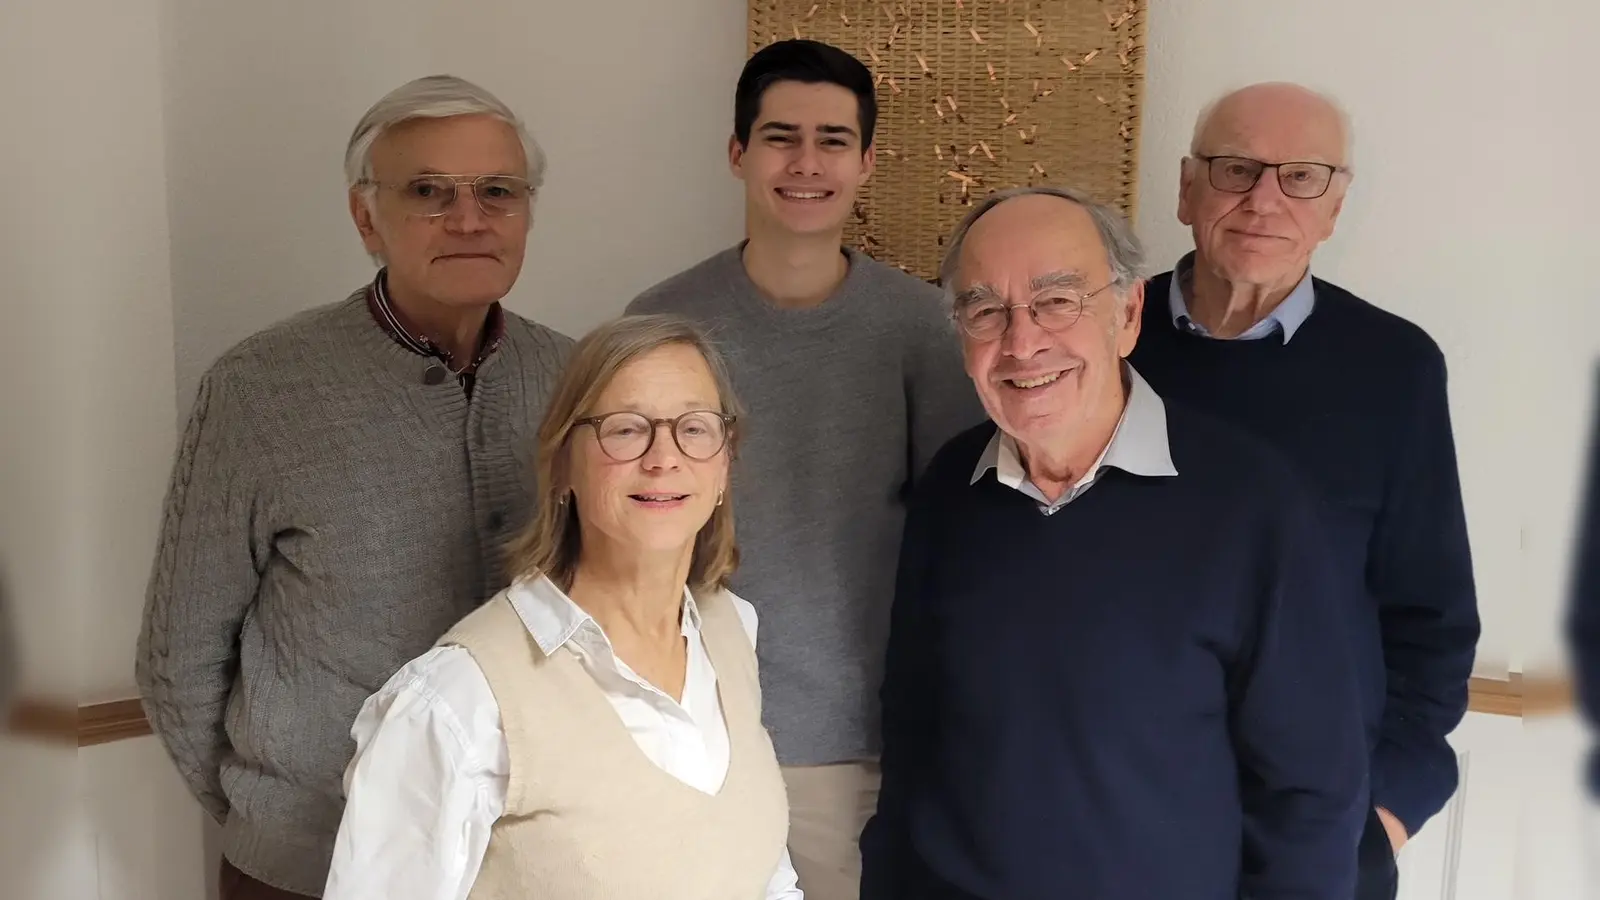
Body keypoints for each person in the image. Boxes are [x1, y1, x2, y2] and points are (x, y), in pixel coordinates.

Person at [860, 186, 1369, 900]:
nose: (1022, 342)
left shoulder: (1252, 502)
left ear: (1128, 315)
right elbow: (912, 730)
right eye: (986, 311)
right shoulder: (951, 486)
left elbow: (1310, 792)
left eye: (1058, 301)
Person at [135, 74, 573, 899]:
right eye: (429, 192)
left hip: (518, 864)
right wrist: (274, 814)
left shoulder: (576, 380)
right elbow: (177, 660)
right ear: (365, 216)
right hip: (311, 863)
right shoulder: (261, 388)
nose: (470, 218)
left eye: (497, 191)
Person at [626, 38, 982, 898]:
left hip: (855, 746)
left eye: (833, 140)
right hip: (688, 732)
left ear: (866, 161)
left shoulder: (921, 329)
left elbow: (966, 538)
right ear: (739, 153)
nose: (806, 163)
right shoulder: (663, 321)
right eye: (781, 137)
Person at [1126, 82, 1481, 899]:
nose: (1264, 199)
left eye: (1302, 177)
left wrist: (1382, 814)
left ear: (1335, 206)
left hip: (1317, 834)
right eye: (1236, 169)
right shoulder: (1098, 342)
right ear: (1186, 189)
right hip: (1120, 813)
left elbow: (1432, 620)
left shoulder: (1396, 369)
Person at [322, 314, 801, 899]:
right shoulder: (458, 700)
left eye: (695, 428)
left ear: (725, 463)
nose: (664, 457)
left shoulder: (731, 631)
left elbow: (764, 877)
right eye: (626, 430)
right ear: (562, 464)